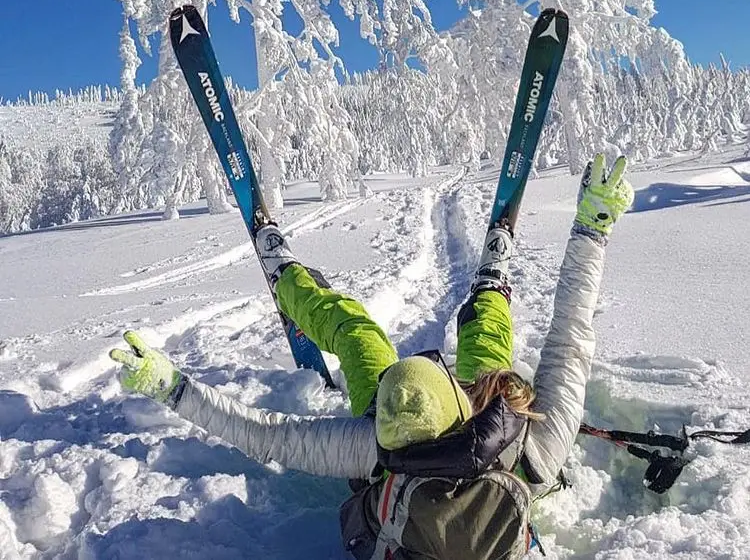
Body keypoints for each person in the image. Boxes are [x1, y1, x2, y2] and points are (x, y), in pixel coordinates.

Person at [110, 153, 634, 559]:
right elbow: (570, 341)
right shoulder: (533, 447)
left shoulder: (373, 446)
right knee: (490, 349)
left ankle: (287, 274)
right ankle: (491, 284)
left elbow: (266, 435)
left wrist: (172, 387)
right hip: (501, 455)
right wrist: (592, 228)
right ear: (459, 400)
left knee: (359, 335)